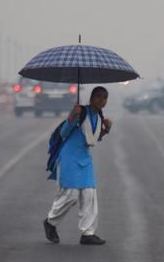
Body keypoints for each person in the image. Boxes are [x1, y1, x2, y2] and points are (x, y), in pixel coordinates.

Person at [43, 86, 112, 246]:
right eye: (99, 97)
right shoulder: (81, 112)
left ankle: (88, 233)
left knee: (89, 194)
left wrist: (107, 129)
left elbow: (93, 139)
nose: (102, 100)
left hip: (85, 159)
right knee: (71, 195)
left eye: (105, 98)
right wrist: (73, 114)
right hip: (69, 157)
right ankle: (50, 223)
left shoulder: (99, 117)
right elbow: (64, 133)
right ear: (92, 98)